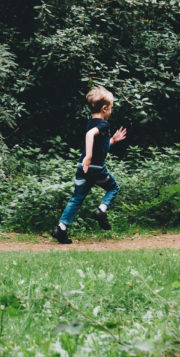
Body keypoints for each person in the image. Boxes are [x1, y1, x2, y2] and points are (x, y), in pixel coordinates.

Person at [52, 87, 126, 244]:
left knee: (76, 198)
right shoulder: (103, 124)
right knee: (114, 188)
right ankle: (101, 211)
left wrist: (112, 140)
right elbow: (90, 135)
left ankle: (61, 228)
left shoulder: (90, 123)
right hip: (96, 168)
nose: (111, 111)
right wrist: (89, 156)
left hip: (83, 168)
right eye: (111, 108)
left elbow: (101, 145)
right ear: (104, 108)